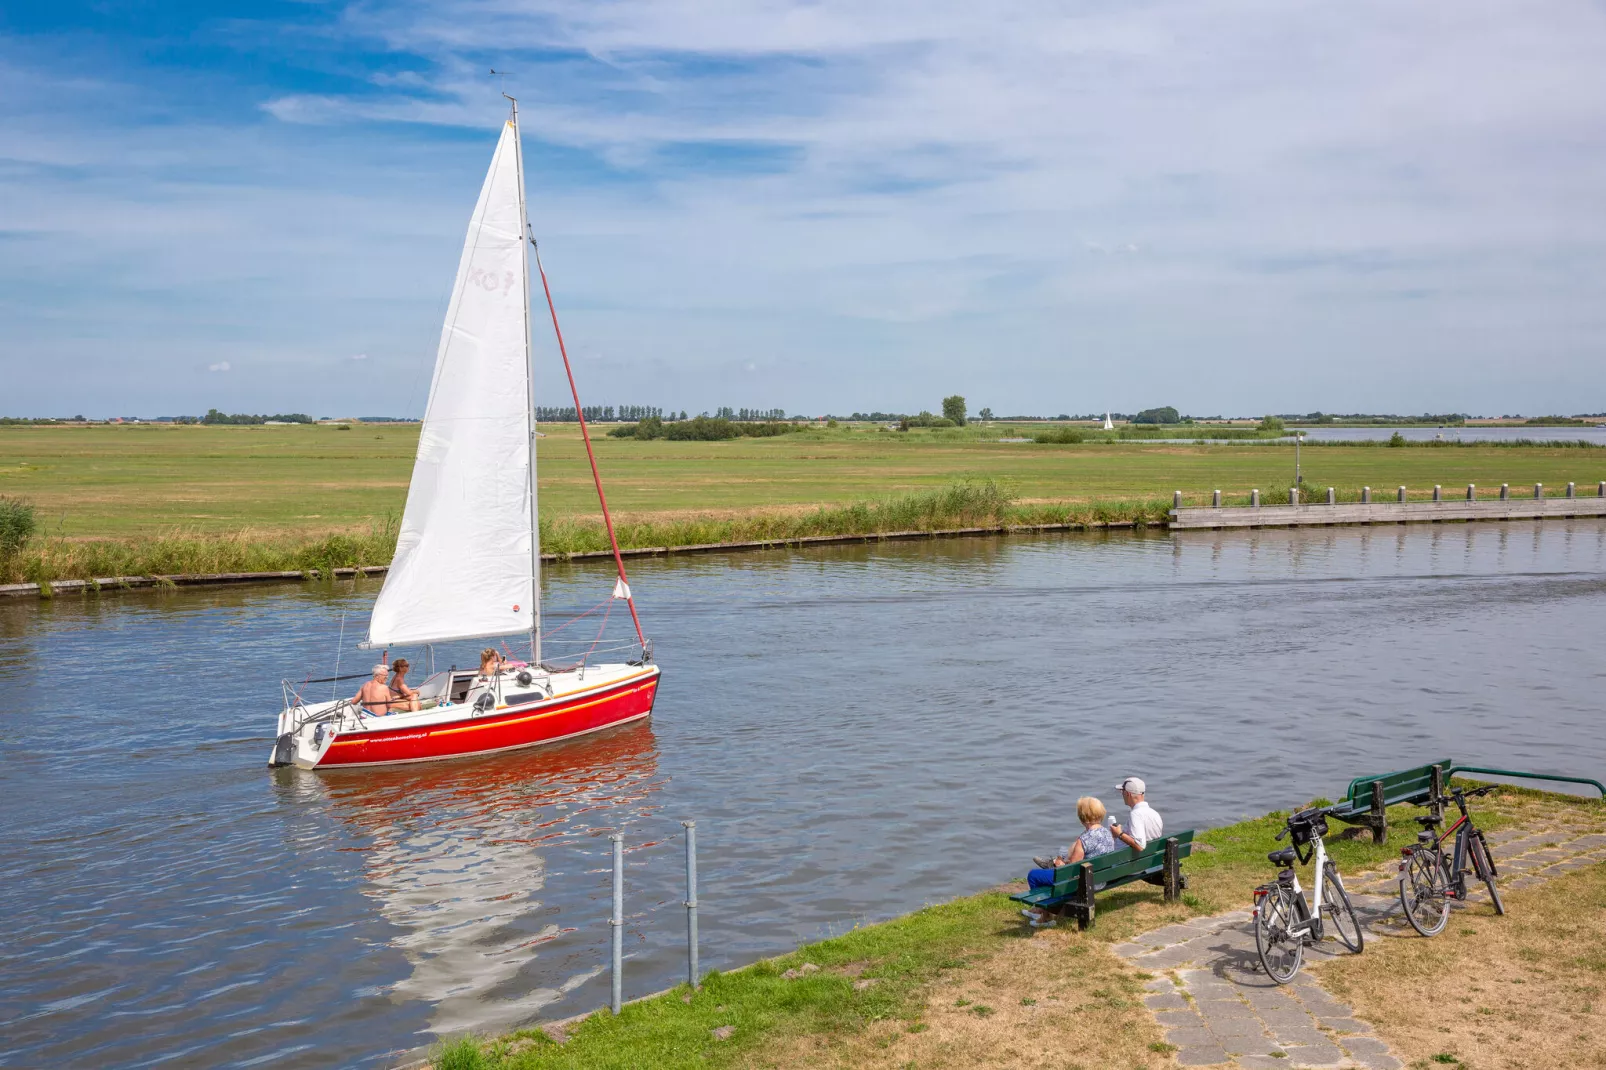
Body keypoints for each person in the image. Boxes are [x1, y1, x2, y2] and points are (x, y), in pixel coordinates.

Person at [1022, 796, 1118, 927]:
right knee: (1056, 865)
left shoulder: (1084, 839)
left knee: (1033, 875)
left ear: (1082, 817)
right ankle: (1040, 910)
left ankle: (1047, 917)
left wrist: (1060, 864)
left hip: (1085, 883)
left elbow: (1070, 871)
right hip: (1100, 879)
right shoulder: (1107, 833)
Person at [1111, 776, 1163, 850]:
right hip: (1150, 857)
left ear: (1128, 794)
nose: (1122, 794)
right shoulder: (1155, 814)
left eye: (1122, 791)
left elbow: (1140, 846)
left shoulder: (1136, 815)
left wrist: (1119, 834)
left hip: (1128, 860)